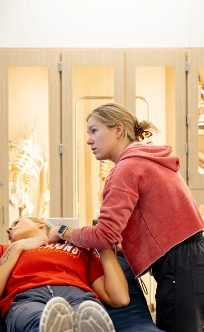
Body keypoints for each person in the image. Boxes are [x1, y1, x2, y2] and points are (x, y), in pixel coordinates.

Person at [48, 103, 204, 332]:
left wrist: (62, 231)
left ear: (118, 129)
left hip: (180, 267)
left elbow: (104, 235)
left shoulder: (128, 168)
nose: (89, 140)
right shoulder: (149, 159)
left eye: (94, 131)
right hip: (193, 258)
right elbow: (160, 221)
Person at [0, 216, 129, 332]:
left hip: (79, 297)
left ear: (40, 224)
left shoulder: (80, 249)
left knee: (87, 316)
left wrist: (102, 244)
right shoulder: (2, 250)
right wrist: (16, 248)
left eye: (16, 222)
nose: (8, 229)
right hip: (28, 300)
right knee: (41, 322)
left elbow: (119, 298)